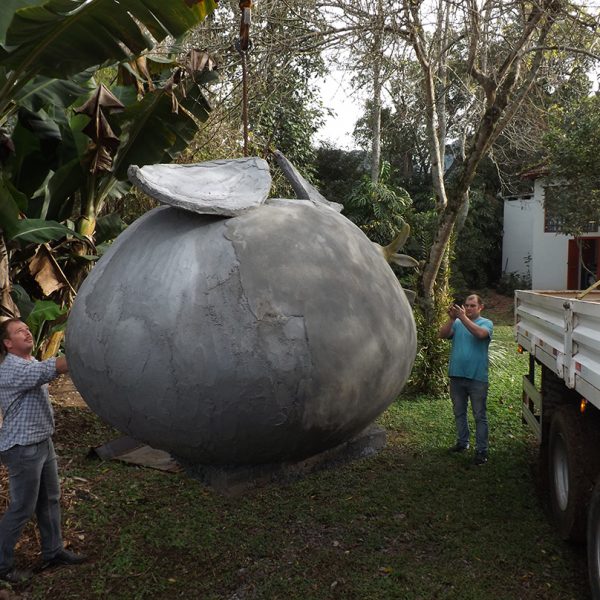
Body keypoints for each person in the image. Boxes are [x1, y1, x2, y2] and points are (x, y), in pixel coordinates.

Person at [0, 318, 86, 583]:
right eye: (19, 331)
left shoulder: (31, 361)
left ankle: (53, 551)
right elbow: (57, 366)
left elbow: (46, 368)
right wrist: (89, 351)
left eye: (27, 328)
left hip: (42, 443)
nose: (27, 331)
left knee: (49, 499)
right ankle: (1, 566)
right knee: (22, 508)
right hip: (22, 448)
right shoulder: (10, 369)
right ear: (7, 343)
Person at [438, 294, 493, 466]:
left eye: (472, 305)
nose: (468, 308)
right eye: (466, 305)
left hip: (477, 378)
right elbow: (442, 334)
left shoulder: (486, 323)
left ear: (480, 307)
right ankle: (463, 443)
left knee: (479, 416)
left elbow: (479, 334)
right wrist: (451, 319)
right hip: (457, 376)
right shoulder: (458, 323)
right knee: (459, 412)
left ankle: (481, 451)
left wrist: (462, 317)